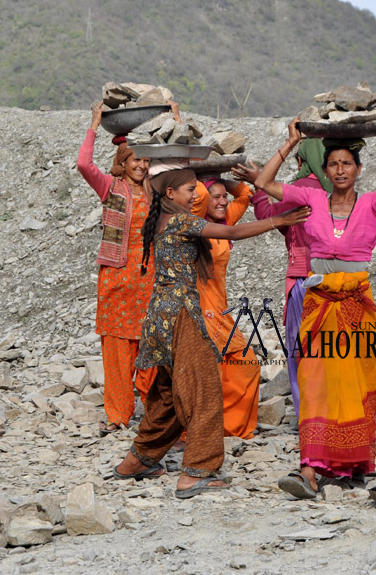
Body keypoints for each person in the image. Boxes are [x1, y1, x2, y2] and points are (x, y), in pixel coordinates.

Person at [112, 165, 308, 498]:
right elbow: (229, 233)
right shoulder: (180, 221)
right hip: (181, 316)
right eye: (190, 190)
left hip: (161, 316)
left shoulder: (161, 218)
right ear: (171, 194)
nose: (196, 195)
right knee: (203, 389)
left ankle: (138, 460)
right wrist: (279, 221)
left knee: (166, 393)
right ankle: (196, 472)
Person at [254, 116, 376, 499]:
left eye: (347, 164)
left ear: (357, 170)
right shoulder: (310, 199)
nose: (340, 170)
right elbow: (262, 184)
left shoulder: (373, 204)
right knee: (315, 383)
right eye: (334, 164)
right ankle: (309, 468)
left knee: (354, 383)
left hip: (356, 305)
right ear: (324, 171)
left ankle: (353, 462)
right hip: (319, 303)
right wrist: (291, 142)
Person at [76, 100, 176, 433]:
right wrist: (93, 125)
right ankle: (118, 414)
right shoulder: (111, 188)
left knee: (150, 345)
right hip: (117, 280)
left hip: (148, 279)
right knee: (117, 349)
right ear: (123, 160)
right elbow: (83, 164)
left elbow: (180, 165)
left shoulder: (155, 191)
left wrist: (174, 119)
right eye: (136, 159)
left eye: (146, 159)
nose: (142, 165)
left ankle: (151, 409)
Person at [234, 139, 332, 419]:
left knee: (302, 350)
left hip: (304, 279)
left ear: (301, 162)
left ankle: (310, 418)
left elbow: (268, 216)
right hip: (336, 281)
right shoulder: (339, 192)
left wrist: (257, 191)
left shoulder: (299, 190)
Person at [193, 177, 260, 439]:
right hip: (199, 310)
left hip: (220, 309)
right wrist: (201, 177)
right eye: (215, 197)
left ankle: (229, 427)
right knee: (211, 372)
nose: (222, 201)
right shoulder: (191, 224)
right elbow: (197, 193)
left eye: (224, 197)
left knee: (246, 364)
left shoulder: (224, 222)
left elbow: (246, 193)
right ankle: (200, 429)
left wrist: (220, 174)